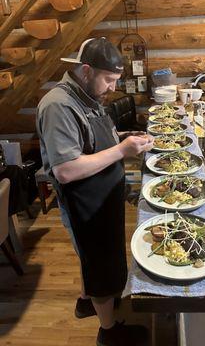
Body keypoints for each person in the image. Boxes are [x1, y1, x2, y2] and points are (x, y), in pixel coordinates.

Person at [36, 37, 153, 346]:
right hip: (84, 202)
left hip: (103, 197)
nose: (112, 88)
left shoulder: (88, 95)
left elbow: (97, 141)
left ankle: (88, 299)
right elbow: (66, 169)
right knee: (101, 263)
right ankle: (109, 331)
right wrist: (123, 151)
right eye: (109, 80)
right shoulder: (59, 105)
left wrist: (127, 138)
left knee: (97, 259)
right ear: (86, 70)